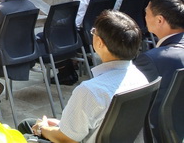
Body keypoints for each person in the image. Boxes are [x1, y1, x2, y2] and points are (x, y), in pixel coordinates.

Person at [18, 10, 148, 143]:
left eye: (94, 32)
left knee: (26, 133)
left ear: (100, 43)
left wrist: (42, 128)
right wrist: (60, 125)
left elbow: (66, 139)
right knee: (27, 124)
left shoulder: (91, 90)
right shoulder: (141, 77)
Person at [133, 0, 184, 141]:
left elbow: (132, 104)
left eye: (147, 13)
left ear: (160, 20)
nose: (144, 17)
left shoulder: (152, 60)